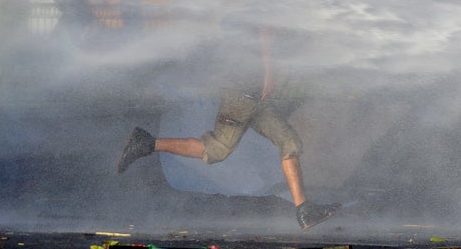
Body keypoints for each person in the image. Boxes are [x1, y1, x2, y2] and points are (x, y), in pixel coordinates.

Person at [116, 20, 341, 231]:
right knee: (218, 148)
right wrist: (268, 76)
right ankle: (146, 143)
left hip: (253, 96)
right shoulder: (262, 11)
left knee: (288, 142)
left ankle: (304, 211)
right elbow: (264, 33)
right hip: (242, 94)